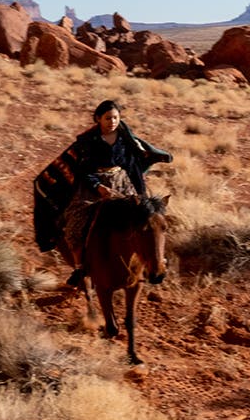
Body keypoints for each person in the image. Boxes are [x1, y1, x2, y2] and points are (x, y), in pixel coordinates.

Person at [39, 100, 173, 288]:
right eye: (108, 118)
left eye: (116, 118)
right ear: (98, 119)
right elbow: (83, 169)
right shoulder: (88, 141)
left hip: (121, 182)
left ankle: (152, 261)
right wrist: (98, 187)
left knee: (145, 221)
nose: (112, 122)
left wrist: (141, 194)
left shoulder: (126, 139)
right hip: (91, 185)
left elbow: (132, 166)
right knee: (76, 222)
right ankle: (80, 267)